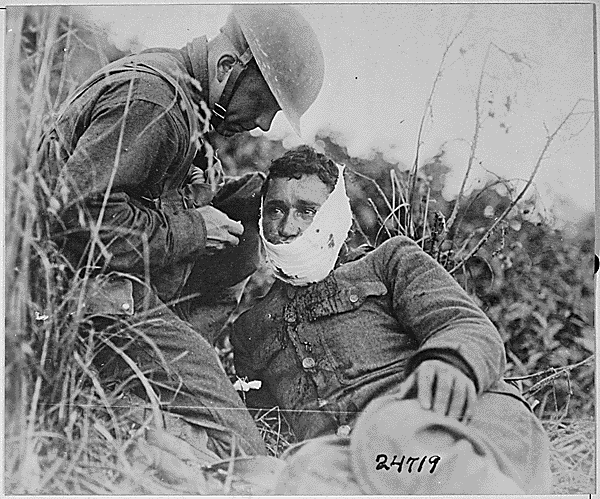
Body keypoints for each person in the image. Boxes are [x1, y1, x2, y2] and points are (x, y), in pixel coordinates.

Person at [38, 6, 324, 458]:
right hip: (72, 294)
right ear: (229, 67)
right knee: (243, 445)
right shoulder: (156, 101)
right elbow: (74, 220)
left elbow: (131, 195)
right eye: (263, 104)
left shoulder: (184, 97)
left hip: (108, 281)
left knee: (249, 212)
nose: (265, 125)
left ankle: (168, 366)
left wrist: (217, 195)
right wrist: (194, 228)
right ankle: (153, 377)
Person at [230, 145, 552, 493]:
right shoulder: (251, 327)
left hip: (448, 420)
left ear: (334, 216)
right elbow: (260, 416)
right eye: (276, 210)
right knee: (304, 471)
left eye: (308, 211)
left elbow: (462, 323)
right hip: (354, 455)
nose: (289, 227)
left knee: (394, 429)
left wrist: (450, 363)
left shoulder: (388, 261)